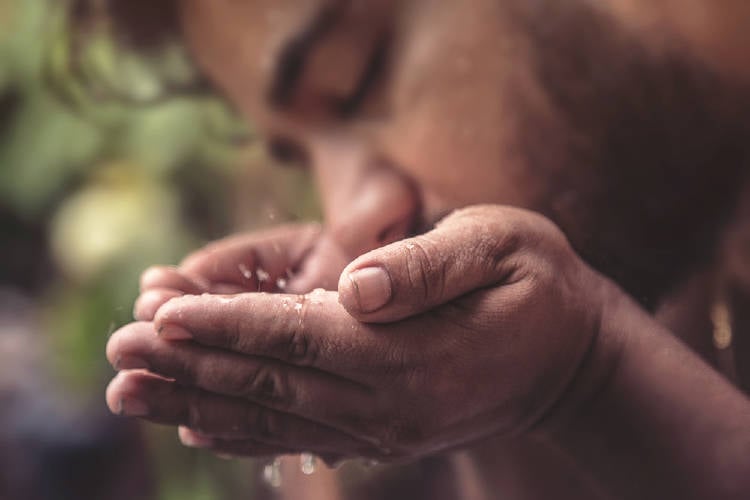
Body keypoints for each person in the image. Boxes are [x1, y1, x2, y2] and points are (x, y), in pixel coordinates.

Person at [102, 0, 750, 498]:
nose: (349, 219)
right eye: (304, 157)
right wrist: (505, 406)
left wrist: (588, 378)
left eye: (357, 77)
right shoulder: (689, 240)